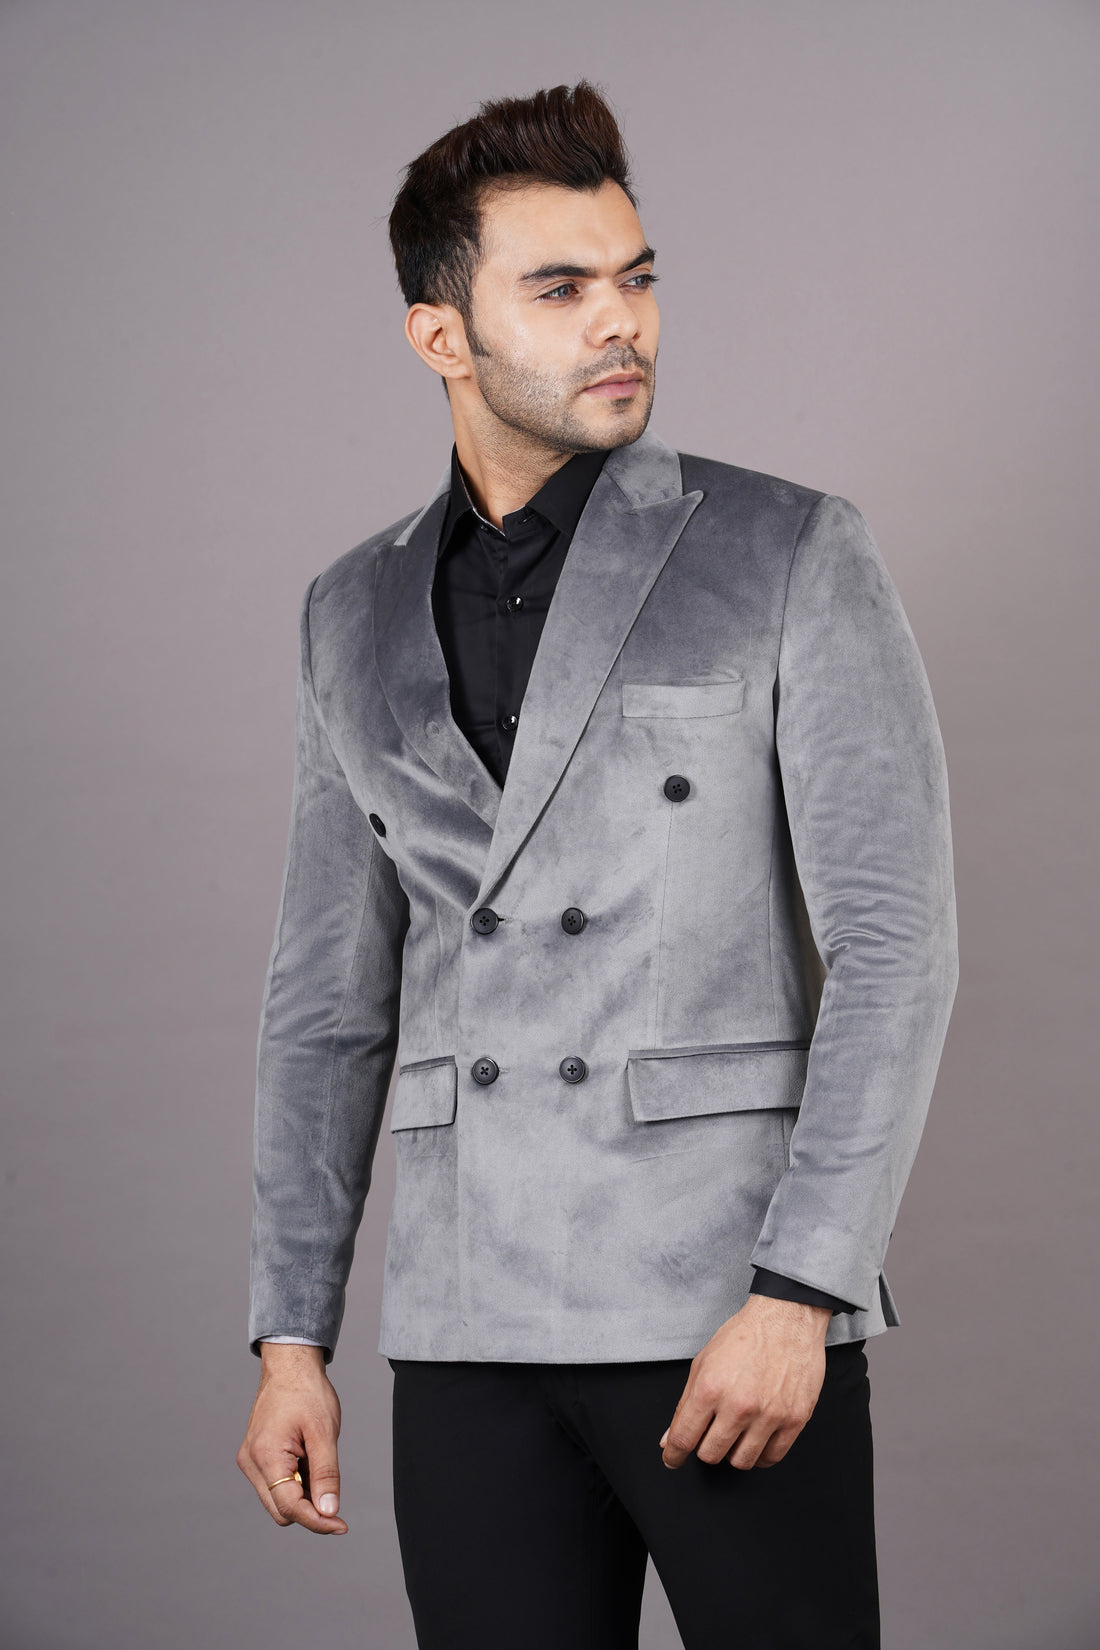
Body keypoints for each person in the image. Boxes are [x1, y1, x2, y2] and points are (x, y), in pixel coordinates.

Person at [236, 81, 959, 1650]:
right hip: (467, 1325)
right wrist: (291, 1335)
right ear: (441, 334)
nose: (621, 320)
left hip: (725, 1307)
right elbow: (324, 1006)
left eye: (636, 277)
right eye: (560, 288)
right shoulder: (347, 610)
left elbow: (897, 951)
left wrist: (802, 1293)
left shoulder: (787, 549)